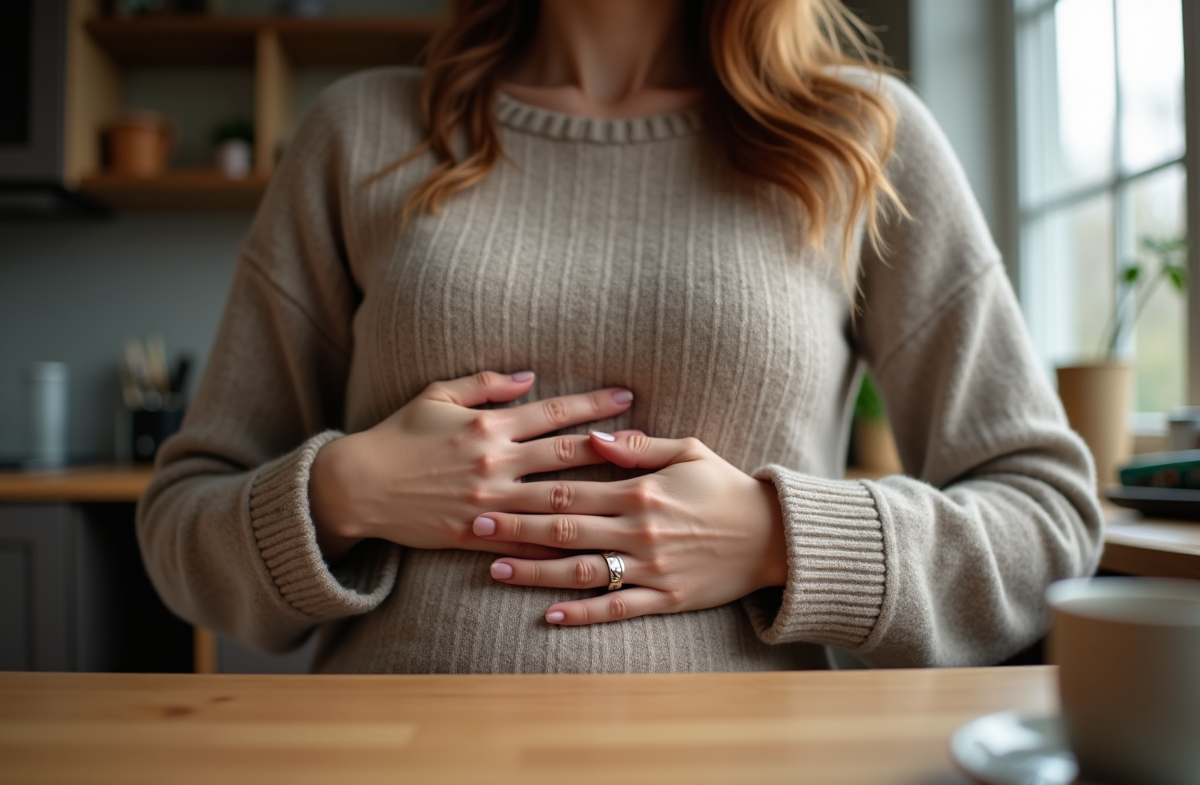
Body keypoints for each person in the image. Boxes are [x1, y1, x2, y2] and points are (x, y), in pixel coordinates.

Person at [137, 0, 1102, 674]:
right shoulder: (357, 132)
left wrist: (780, 540)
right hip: (394, 761)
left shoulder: (861, 137)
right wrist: (346, 492)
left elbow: (1049, 525)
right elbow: (182, 522)